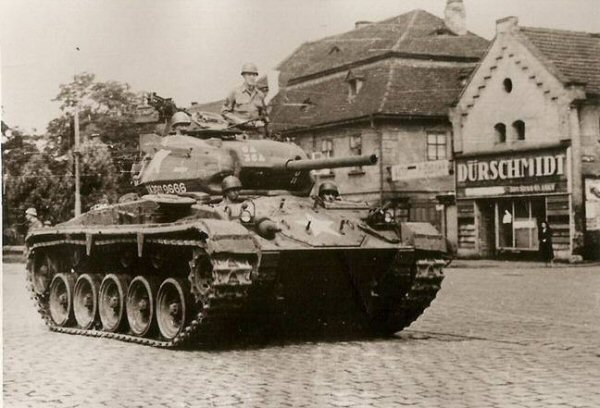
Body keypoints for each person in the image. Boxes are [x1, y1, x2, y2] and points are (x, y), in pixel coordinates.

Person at [221, 63, 269, 130]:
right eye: (249, 74)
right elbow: (224, 112)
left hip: (254, 133)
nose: (252, 77)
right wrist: (238, 120)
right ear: (244, 75)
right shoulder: (235, 92)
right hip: (237, 131)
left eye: (254, 75)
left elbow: (264, 115)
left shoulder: (260, 95)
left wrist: (260, 122)